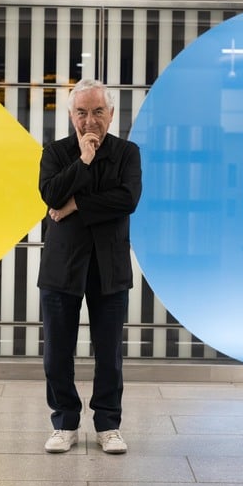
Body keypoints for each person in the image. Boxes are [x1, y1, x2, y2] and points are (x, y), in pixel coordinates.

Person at [37, 78, 142, 454]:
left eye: (98, 111)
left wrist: (77, 205)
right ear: (70, 115)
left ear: (111, 114)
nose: (90, 120)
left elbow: (127, 198)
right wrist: (83, 161)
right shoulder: (55, 153)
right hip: (62, 267)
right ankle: (64, 423)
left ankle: (108, 425)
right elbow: (50, 194)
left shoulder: (127, 153)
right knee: (57, 354)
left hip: (108, 266)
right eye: (82, 112)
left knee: (110, 353)